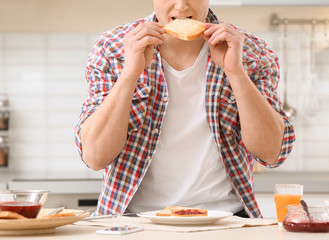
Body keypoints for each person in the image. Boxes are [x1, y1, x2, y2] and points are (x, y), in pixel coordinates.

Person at [74, 0, 295, 218]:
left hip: (227, 220)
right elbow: (95, 157)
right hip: (133, 221)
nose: (181, 7)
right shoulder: (113, 48)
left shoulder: (250, 51)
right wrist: (129, 74)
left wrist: (236, 72)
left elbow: (272, 153)